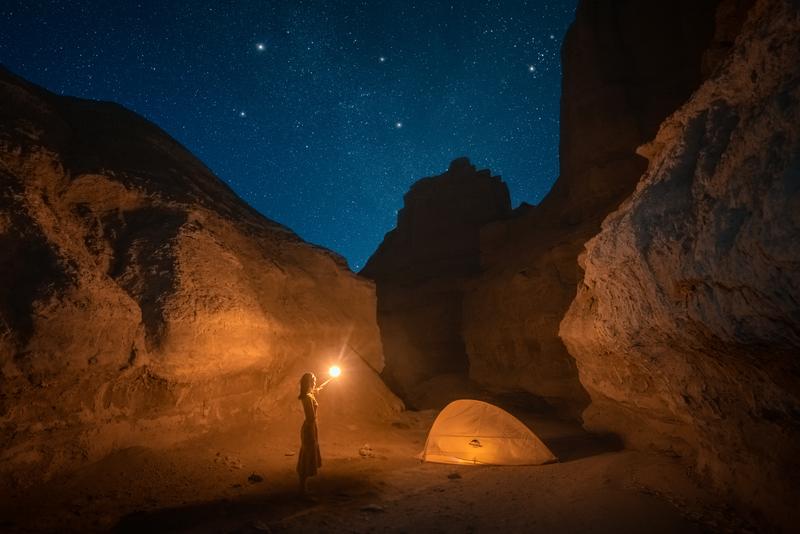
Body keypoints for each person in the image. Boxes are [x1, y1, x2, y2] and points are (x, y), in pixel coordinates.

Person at [297, 372, 322, 496]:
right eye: (313, 380)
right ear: (308, 382)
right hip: (309, 429)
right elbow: (311, 417)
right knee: (307, 456)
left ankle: (303, 488)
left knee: (307, 454)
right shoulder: (307, 397)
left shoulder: (308, 395)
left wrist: (313, 394)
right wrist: (313, 399)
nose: (315, 382)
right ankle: (302, 489)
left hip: (311, 428)